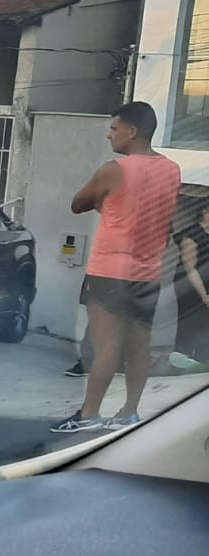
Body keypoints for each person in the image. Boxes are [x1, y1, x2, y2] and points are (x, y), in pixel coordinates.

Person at [52, 101, 182, 433]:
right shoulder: (172, 169)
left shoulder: (115, 169)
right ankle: (128, 412)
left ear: (132, 131)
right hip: (149, 272)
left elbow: (78, 203)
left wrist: (105, 202)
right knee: (139, 346)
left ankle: (88, 414)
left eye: (114, 129)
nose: (109, 135)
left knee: (106, 345)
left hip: (110, 270)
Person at [173, 202, 209, 362]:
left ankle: (201, 357)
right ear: (205, 213)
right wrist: (204, 295)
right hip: (190, 286)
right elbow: (190, 268)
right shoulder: (191, 236)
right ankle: (182, 355)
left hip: (205, 282)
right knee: (191, 320)